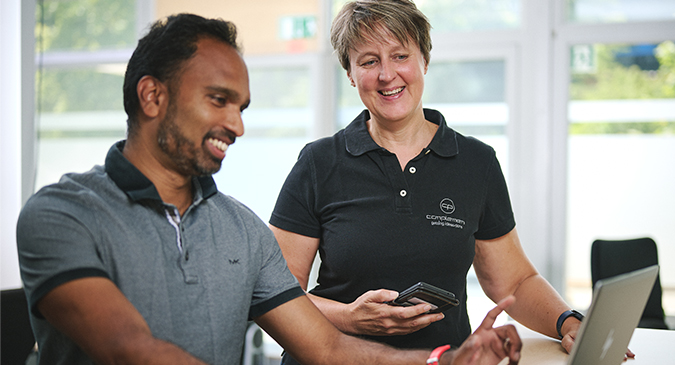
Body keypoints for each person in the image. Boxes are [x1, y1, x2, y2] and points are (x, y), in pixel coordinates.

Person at [16, 13, 522, 365]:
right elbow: (128, 350)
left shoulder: (240, 230)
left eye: (242, 107)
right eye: (218, 100)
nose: (236, 125)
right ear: (152, 96)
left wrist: (444, 358)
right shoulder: (63, 216)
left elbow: (329, 349)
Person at [269, 1, 594, 364]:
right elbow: (276, 293)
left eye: (400, 55)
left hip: (444, 359)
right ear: (350, 72)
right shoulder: (318, 162)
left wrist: (567, 320)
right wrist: (350, 317)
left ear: (424, 59)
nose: (387, 74)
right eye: (369, 61)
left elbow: (514, 281)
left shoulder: (476, 162)